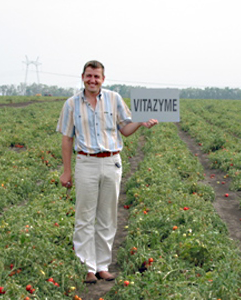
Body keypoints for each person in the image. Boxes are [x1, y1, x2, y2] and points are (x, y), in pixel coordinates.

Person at [56, 60, 158, 284]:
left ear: (103, 79)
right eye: (89, 76)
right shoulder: (71, 104)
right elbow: (66, 139)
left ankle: (102, 265)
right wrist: (66, 171)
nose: (93, 80)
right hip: (86, 162)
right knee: (84, 216)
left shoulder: (114, 99)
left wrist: (140, 123)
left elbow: (125, 129)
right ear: (82, 77)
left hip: (111, 162)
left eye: (97, 77)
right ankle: (87, 267)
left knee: (107, 216)